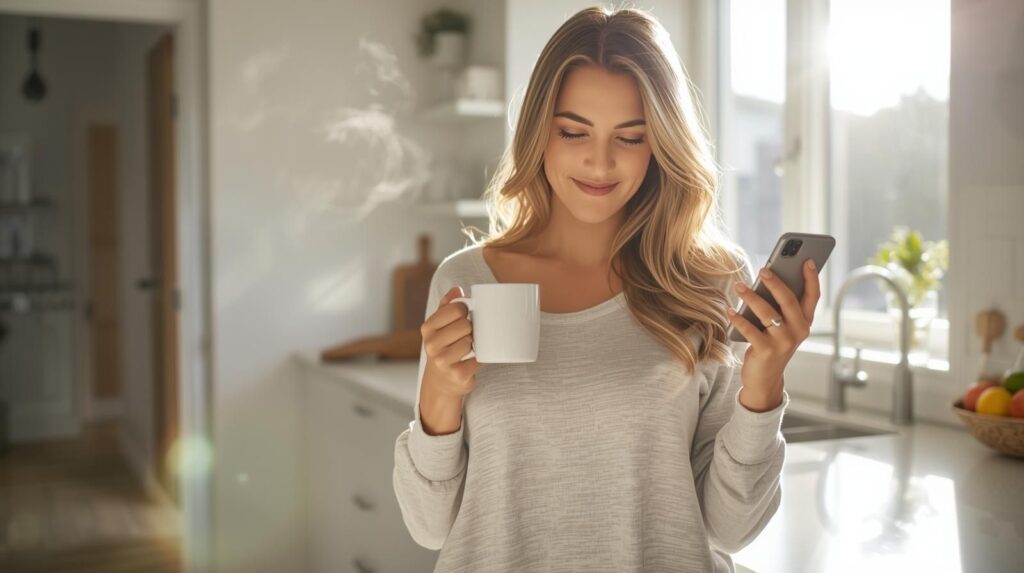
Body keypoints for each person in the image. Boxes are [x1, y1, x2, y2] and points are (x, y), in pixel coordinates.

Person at [393, 5, 820, 572]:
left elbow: (729, 529)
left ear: (660, 144)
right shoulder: (466, 281)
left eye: (631, 136)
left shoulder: (708, 283)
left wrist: (763, 383)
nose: (600, 161)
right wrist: (438, 398)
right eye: (574, 131)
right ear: (539, 132)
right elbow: (429, 527)